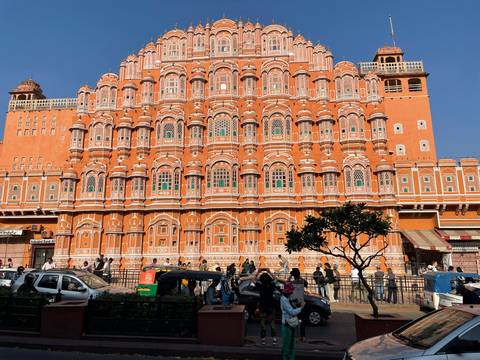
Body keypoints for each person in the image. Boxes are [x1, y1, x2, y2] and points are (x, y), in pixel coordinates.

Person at [280, 282, 304, 360]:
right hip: (287, 324)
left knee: (290, 344)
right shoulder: (284, 300)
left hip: (289, 323)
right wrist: (301, 307)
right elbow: (292, 312)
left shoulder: (285, 298)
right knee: (287, 345)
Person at [256, 271, 277, 345]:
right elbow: (275, 279)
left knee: (263, 323)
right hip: (271, 305)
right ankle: (274, 339)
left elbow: (255, 280)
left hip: (262, 306)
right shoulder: (271, 286)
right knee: (272, 323)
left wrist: (258, 272)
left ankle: (263, 340)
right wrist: (269, 272)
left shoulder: (260, 286)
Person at [290, 268, 308, 342]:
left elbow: (286, 283)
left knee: (294, 321)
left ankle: (295, 337)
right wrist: (299, 276)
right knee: (302, 321)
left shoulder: (292, 283)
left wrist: (290, 276)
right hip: (301, 303)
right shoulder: (302, 282)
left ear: (293, 275)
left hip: (294, 303)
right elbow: (306, 283)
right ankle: (303, 337)